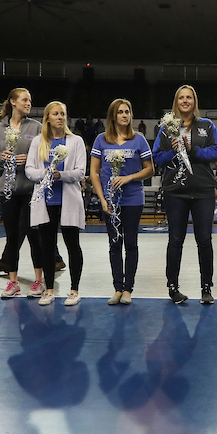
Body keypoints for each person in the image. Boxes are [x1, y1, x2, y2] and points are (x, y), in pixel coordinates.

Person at [153, 85, 217, 305]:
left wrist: (193, 149)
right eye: (181, 98)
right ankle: (173, 287)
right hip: (175, 191)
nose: (185, 101)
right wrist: (173, 151)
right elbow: (157, 157)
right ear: (176, 102)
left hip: (202, 191)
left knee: (204, 241)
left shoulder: (207, 126)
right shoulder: (166, 128)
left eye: (189, 97)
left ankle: (206, 288)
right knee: (175, 240)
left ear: (194, 101)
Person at [90, 98, 154, 305]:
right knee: (114, 244)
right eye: (120, 112)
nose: (125, 115)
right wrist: (102, 199)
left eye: (127, 111)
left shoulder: (139, 139)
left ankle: (128, 290)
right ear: (113, 116)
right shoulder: (101, 140)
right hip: (110, 201)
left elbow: (150, 169)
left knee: (131, 243)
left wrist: (129, 177)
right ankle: (117, 288)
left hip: (133, 199)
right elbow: (94, 172)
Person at [0, 88, 46, 299]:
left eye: (30, 99)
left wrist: (29, 158)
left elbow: (45, 157)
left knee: (34, 235)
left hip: (30, 190)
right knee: (12, 237)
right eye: (25, 99)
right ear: (13, 102)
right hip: (7, 191)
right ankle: (13, 282)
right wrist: (2, 158)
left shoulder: (37, 128)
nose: (29, 103)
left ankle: (38, 281)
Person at [26, 101, 87, 306]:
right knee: (47, 247)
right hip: (46, 201)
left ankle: (74, 290)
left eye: (63, 113)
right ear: (48, 118)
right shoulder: (38, 142)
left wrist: (61, 175)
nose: (60, 117)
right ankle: (49, 289)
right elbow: (29, 170)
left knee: (72, 245)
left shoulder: (76, 141)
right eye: (55, 114)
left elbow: (80, 172)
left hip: (68, 199)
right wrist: (46, 174)